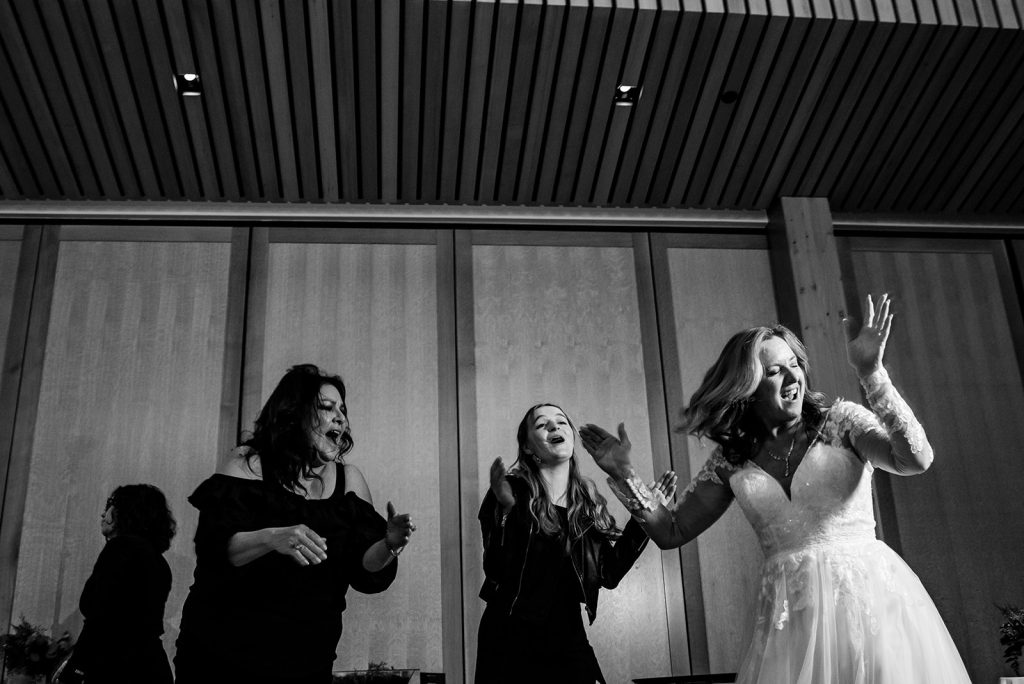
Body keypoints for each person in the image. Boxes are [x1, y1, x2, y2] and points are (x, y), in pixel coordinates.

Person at [580, 294, 971, 683]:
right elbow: (671, 531)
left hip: (870, 609)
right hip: (791, 621)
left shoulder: (842, 423)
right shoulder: (731, 459)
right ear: (746, 387)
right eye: (773, 371)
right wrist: (624, 473)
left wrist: (872, 373)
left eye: (795, 364)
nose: (792, 376)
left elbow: (914, 459)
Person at [174, 364, 416, 684]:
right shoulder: (250, 463)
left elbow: (364, 571)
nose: (340, 418)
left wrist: (389, 544)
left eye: (343, 410)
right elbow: (216, 549)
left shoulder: (349, 480)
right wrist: (272, 538)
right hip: (222, 653)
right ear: (295, 414)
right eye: (327, 408)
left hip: (306, 659)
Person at [476, 403, 672, 684]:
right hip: (510, 638)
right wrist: (507, 512)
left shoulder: (585, 505)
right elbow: (496, 569)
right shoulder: (509, 490)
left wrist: (644, 518)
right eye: (542, 424)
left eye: (561, 422)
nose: (554, 426)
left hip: (568, 638)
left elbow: (608, 574)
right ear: (529, 448)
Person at [63, 484, 176, 684]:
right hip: (151, 668)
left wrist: (77, 667)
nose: (103, 513)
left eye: (111, 504)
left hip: (115, 667)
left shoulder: (120, 549)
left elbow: (100, 617)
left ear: (128, 512)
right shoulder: (159, 561)